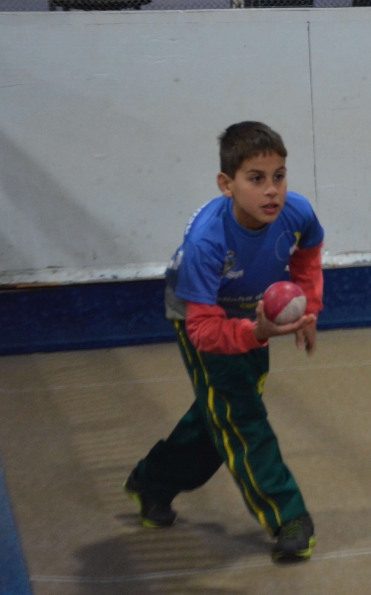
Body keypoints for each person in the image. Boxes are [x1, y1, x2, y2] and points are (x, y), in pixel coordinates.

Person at [123, 121, 324, 562]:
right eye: (256, 179)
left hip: (252, 311)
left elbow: (309, 249)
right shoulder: (206, 245)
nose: (272, 190)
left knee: (223, 408)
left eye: (279, 176)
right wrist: (255, 333)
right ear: (226, 184)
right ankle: (287, 516)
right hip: (201, 313)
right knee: (241, 415)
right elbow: (202, 329)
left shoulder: (297, 213)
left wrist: (310, 307)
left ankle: (153, 481)